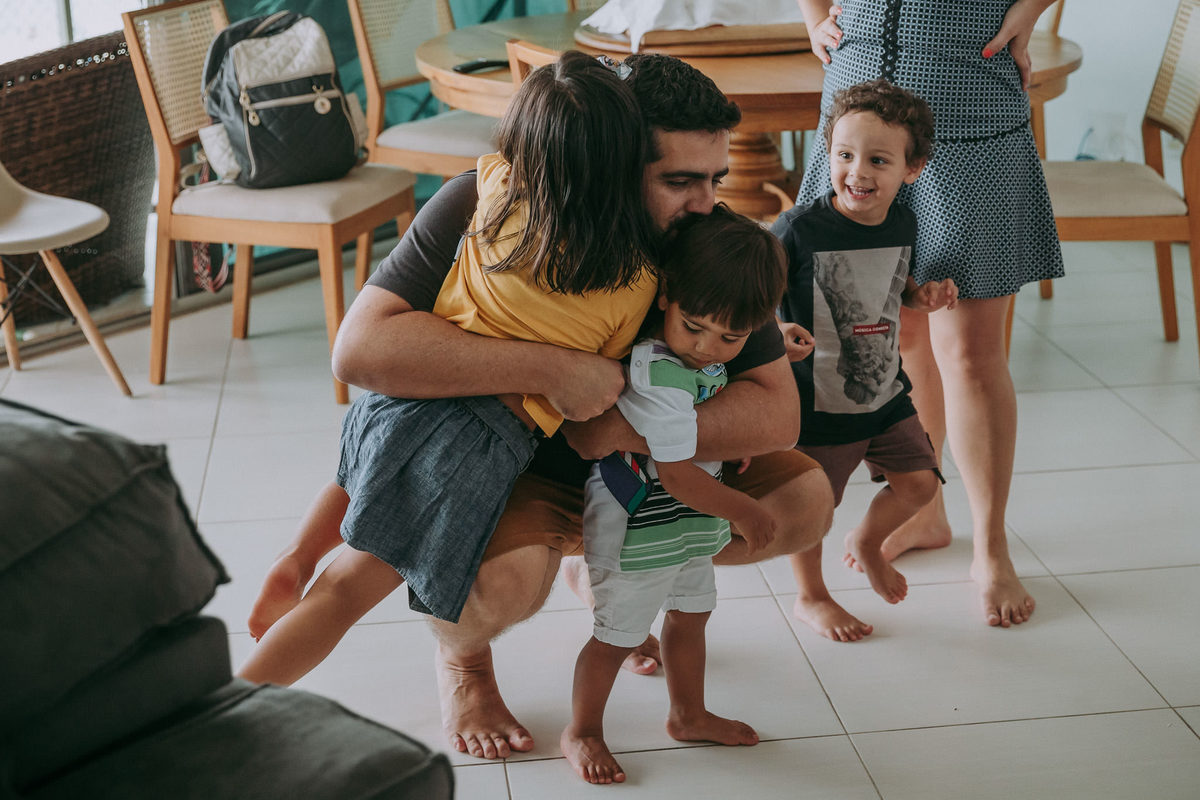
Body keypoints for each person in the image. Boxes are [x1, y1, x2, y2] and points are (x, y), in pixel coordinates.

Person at [250, 53, 834, 759]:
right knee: (462, 580)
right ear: (612, 162)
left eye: (715, 178)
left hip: (619, 468)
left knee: (804, 501)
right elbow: (360, 349)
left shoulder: (707, 241)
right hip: (494, 460)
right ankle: (463, 659)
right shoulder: (484, 200)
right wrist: (556, 369)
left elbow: (777, 414)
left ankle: (596, 563)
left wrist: (629, 427)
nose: (706, 202)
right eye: (679, 181)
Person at [237, 51, 659, 686]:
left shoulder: (487, 194)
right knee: (348, 591)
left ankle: (297, 558)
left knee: (359, 484)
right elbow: (593, 390)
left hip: (397, 404)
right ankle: (238, 704)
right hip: (471, 445)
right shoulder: (631, 282)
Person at [795, 0, 1064, 628]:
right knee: (899, 329)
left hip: (969, 95)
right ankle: (925, 510)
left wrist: (1026, 12)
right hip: (858, 91)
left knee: (971, 351)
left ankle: (992, 546)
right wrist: (815, 17)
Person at [563, 206, 786, 784]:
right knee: (615, 638)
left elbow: (705, 417)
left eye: (731, 337)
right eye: (694, 326)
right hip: (638, 530)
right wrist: (745, 509)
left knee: (692, 615)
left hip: (682, 527)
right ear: (666, 297)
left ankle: (688, 715)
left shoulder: (697, 361)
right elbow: (679, 474)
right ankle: (582, 729)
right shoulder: (659, 375)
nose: (707, 348)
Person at [773, 79, 958, 642]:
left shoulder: (904, 222)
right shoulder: (798, 230)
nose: (858, 173)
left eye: (878, 160)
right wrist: (775, 330)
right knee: (813, 510)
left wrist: (919, 297)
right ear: (826, 153)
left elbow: (891, 288)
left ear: (913, 169)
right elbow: (754, 299)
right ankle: (812, 595)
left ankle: (866, 542)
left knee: (921, 484)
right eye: (844, 155)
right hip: (817, 402)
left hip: (886, 395)